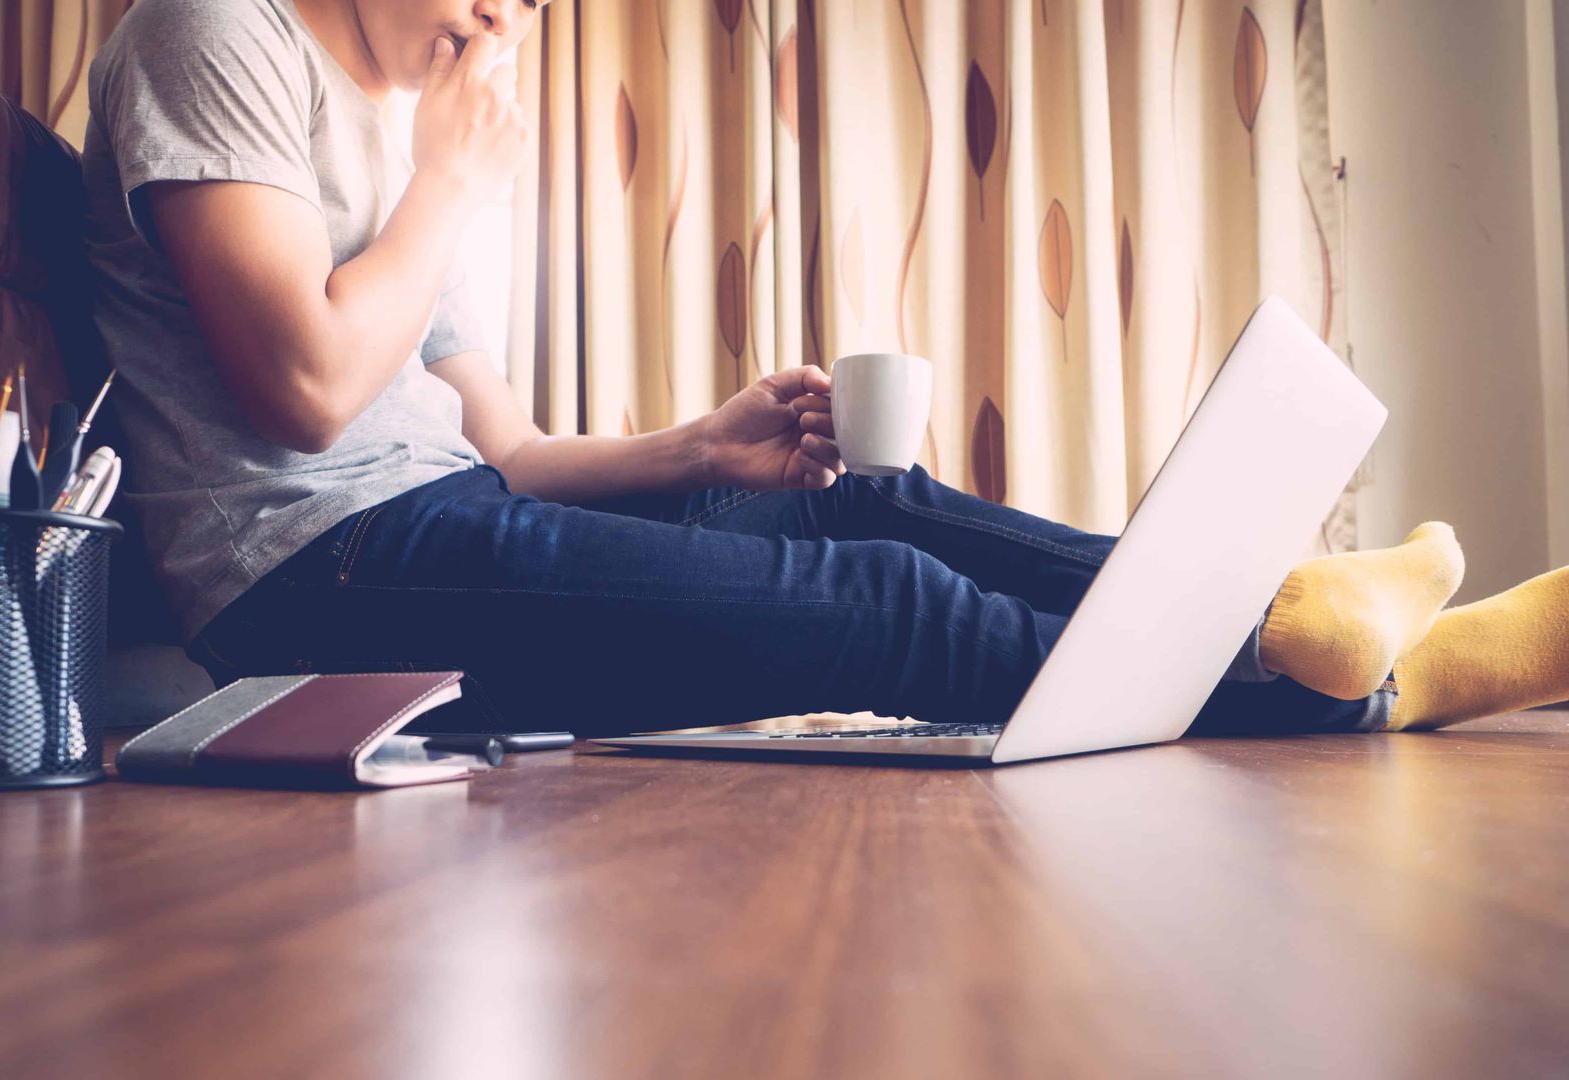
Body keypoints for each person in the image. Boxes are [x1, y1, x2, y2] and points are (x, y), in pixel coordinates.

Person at [82, 0, 1569, 737]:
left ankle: (1298, 619)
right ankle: (1331, 695)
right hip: (306, 588)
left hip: (432, 524)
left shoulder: (422, 138)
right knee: (887, 607)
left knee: (886, 505)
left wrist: (699, 449)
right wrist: (450, 187)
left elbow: (511, 452)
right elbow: (309, 390)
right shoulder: (212, 33)